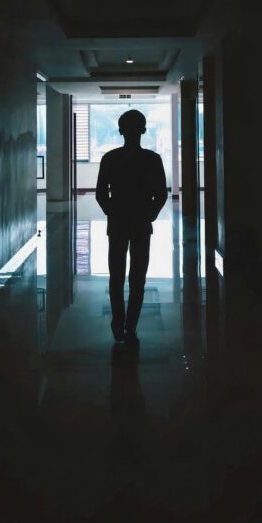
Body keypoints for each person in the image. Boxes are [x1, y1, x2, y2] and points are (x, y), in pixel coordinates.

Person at [96, 110, 167, 350]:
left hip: (118, 224)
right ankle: (131, 326)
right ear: (144, 130)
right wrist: (150, 213)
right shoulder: (152, 159)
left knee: (116, 276)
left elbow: (100, 194)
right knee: (138, 278)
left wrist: (112, 212)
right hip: (140, 224)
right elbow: (162, 194)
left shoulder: (110, 158)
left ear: (120, 131)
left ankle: (119, 323)